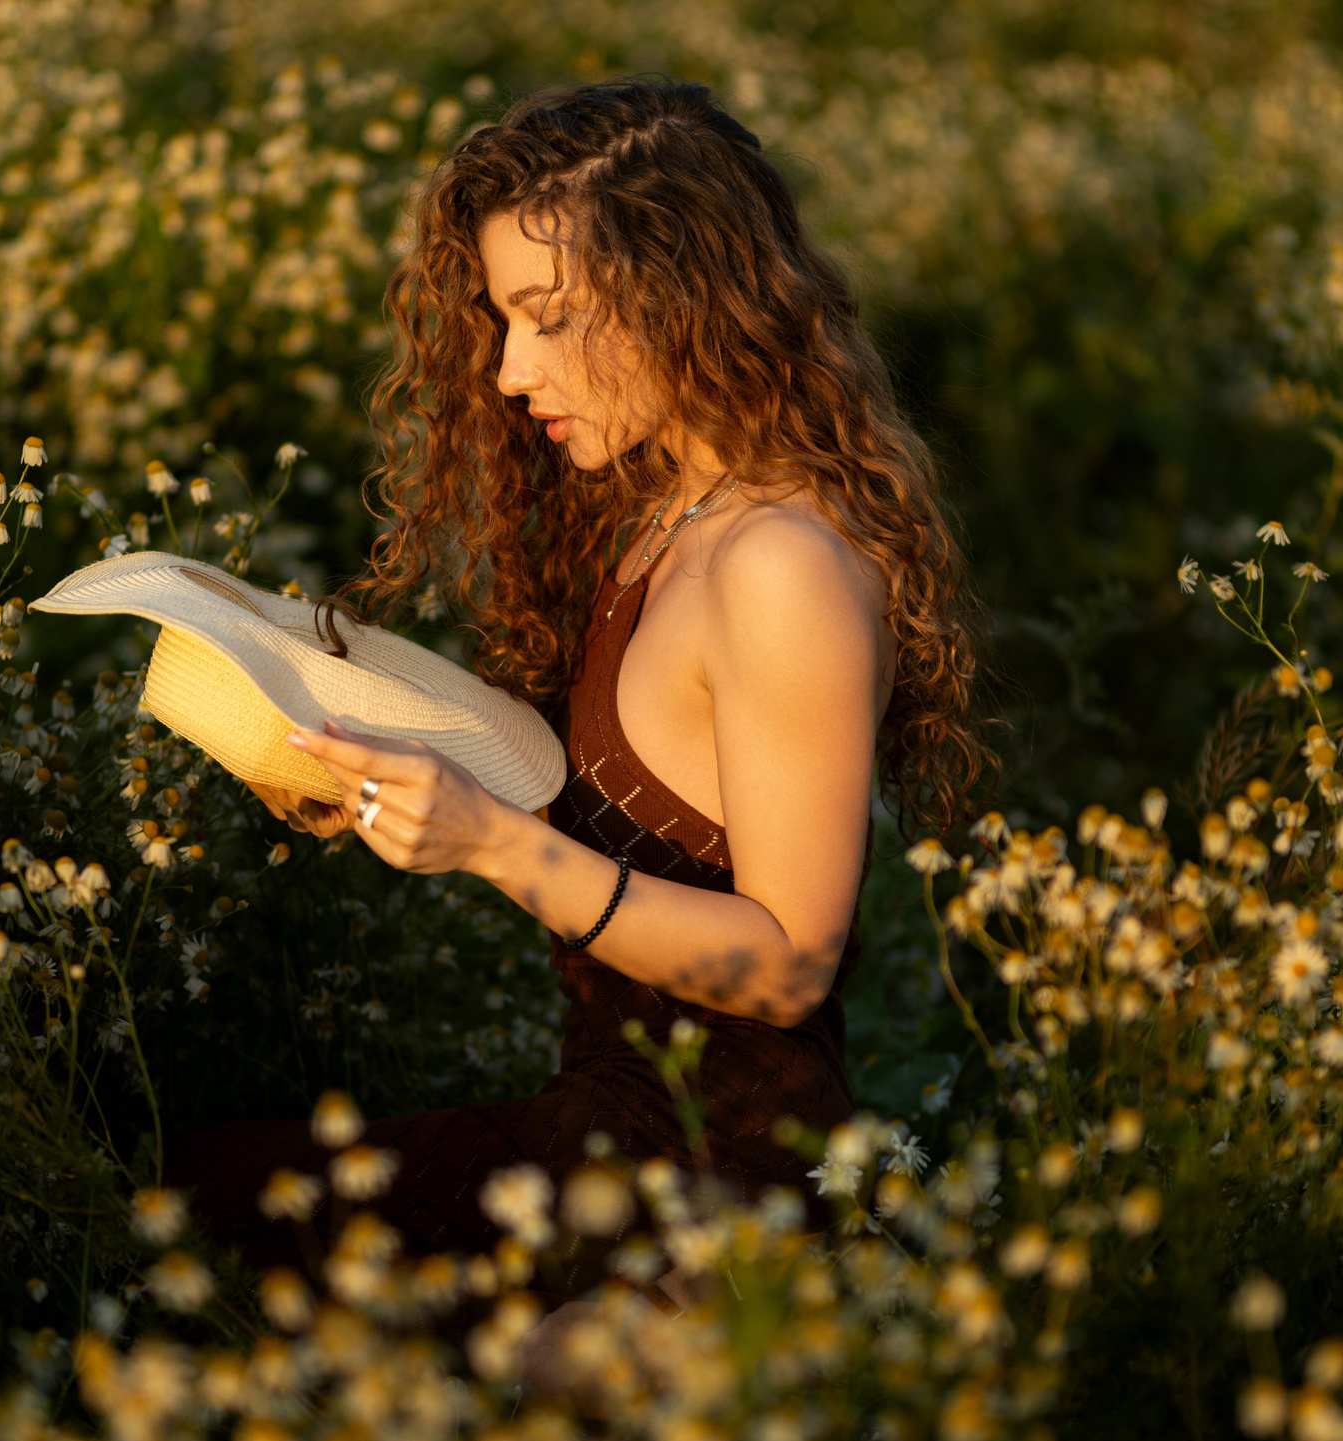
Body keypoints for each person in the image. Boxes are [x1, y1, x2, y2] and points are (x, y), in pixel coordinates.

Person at [163, 77, 987, 1292]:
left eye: (548, 317)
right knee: (183, 1195)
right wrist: (374, 776)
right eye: (503, 321)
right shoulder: (668, 513)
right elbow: (625, 841)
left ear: (680, 298)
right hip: (599, 1133)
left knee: (230, 1254)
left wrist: (490, 841)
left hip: (716, 1181)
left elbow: (785, 965)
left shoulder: (781, 565)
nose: (507, 370)